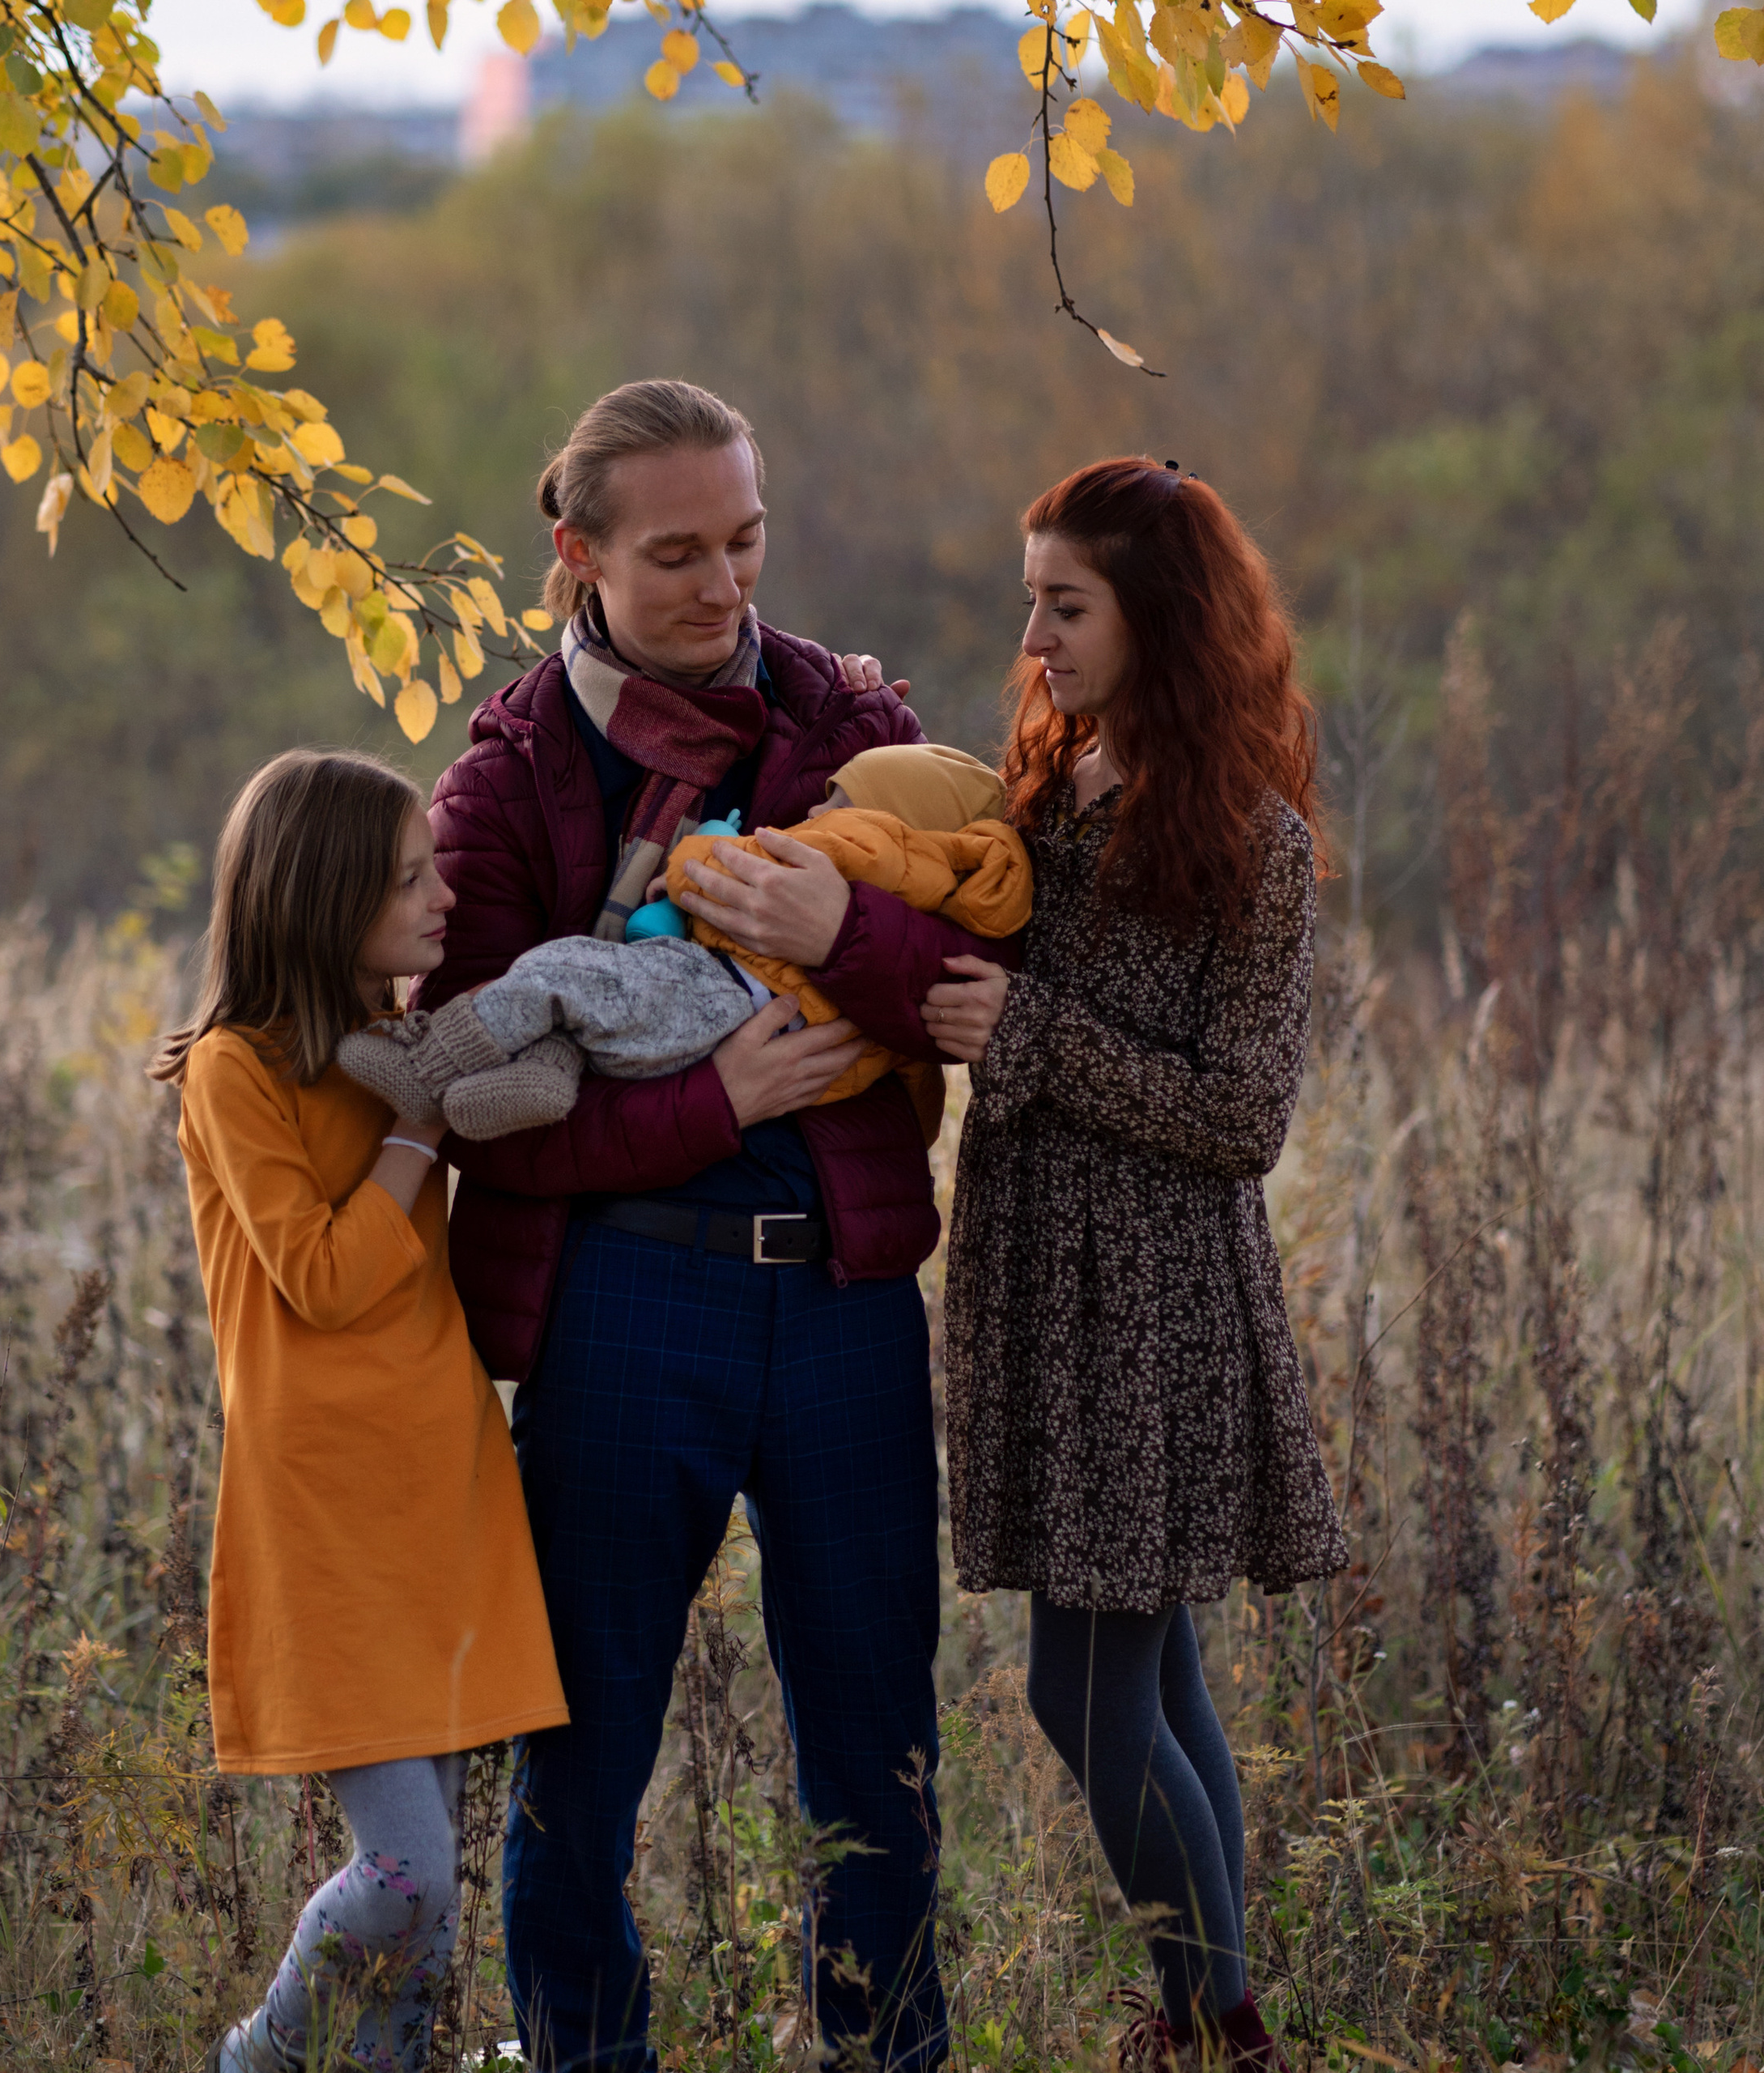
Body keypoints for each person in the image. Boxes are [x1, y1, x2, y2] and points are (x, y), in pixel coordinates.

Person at [419, 379, 1011, 2073]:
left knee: (877, 1754)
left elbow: (979, 981)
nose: (722, 584)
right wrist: (714, 1100)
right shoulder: (509, 778)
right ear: (576, 553)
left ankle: (885, 2055)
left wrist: (836, 929)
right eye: (675, 551)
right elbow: (476, 1103)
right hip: (620, 1307)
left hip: (838, 1309)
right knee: (582, 1763)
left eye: (744, 540)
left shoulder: (854, 720)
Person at [922, 458, 1350, 2069]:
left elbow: (1243, 1113)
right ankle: (1205, 2018)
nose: (1032, 635)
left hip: (1151, 1305)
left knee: (1084, 1689)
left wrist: (1027, 1034)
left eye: (1065, 603)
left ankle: (1216, 2026)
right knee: (1153, 1674)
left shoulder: (1250, 841)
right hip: (1036, 1280)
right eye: (1029, 597)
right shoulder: (1048, 786)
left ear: (1156, 616)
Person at [151, 748, 569, 2073]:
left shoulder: (392, 1046)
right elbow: (325, 1279)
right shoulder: (237, 1072)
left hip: (441, 1482)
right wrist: (421, 1129)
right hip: (326, 1512)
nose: (440, 896)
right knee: (406, 1880)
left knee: (432, 1928)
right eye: (408, 879)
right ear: (325, 899)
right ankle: (261, 2058)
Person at [336, 742, 1030, 1140]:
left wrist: (687, 864)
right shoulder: (937, 890)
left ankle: (425, 1071)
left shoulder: (863, 840)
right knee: (581, 1020)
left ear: (880, 810)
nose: (816, 811)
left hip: (710, 991)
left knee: (563, 971)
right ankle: (548, 1074)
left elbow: (724, 867)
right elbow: (918, 1065)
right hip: (758, 1028)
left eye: (834, 798)